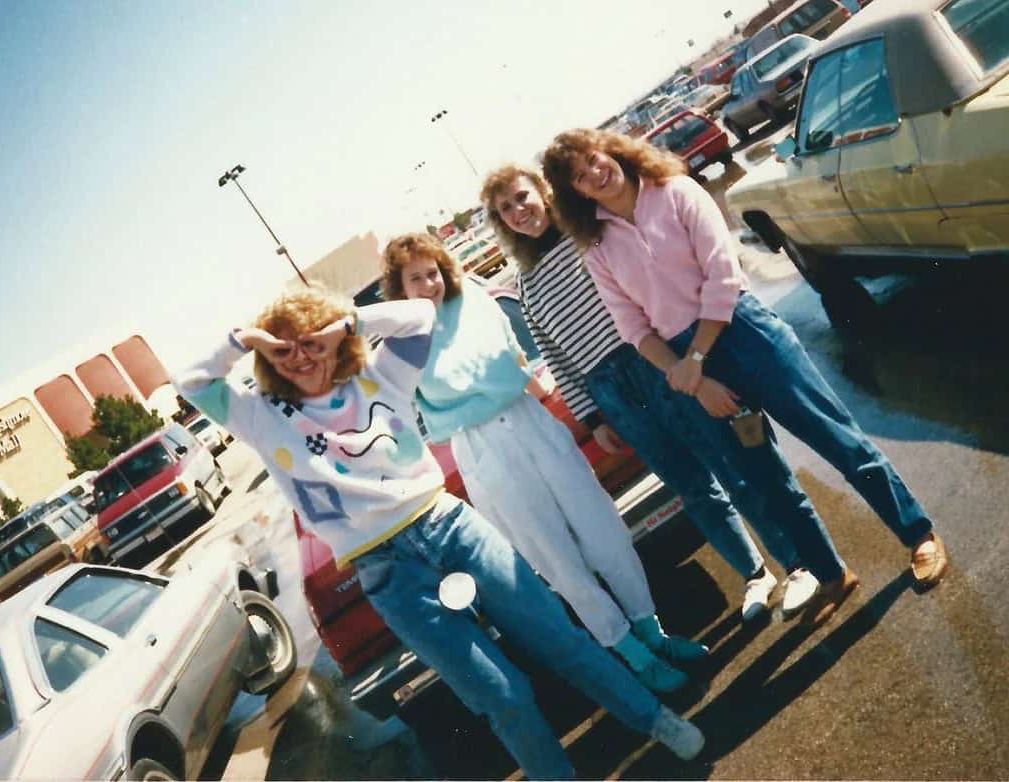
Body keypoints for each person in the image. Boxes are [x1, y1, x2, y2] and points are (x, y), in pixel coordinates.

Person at [172, 287, 705, 777]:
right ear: (267, 363)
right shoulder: (259, 414)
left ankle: (655, 721)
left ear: (335, 341)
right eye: (284, 352)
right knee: (503, 696)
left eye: (312, 343)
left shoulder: (379, 377)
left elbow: (419, 317)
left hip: (449, 525)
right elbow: (189, 381)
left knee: (561, 640)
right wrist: (246, 339)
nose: (302, 357)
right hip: (388, 571)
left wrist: (346, 320)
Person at [541, 129, 948, 621]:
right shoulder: (597, 246)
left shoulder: (677, 191)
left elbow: (723, 276)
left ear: (611, 150)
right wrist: (688, 374)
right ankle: (830, 573)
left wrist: (693, 362)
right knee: (763, 476)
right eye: (580, 177)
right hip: (687, 363)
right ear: (575, 193)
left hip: (745, 333)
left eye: (593, 160)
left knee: (835, 438)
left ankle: (918, 535)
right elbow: (632, 326)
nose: (594, 175)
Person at [480, 164, 859, 625]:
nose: (518, 211)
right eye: (505, 209)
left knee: (734, 464)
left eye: (521, 197)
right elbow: (555, 356)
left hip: (657, 361)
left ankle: (797, 565)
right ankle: (754, 574)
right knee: (692, 488)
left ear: (542, 192)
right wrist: (595, 420)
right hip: (612, 391)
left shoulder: (590, 237)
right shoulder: (525, 285)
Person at [380, 233, 706, 692]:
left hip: (530, 419)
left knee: (604, 531)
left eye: (432, 271)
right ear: (399, 288)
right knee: (557, 559)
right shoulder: (400, 339)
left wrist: (532, 386)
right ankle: (632, 656)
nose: (429, 283)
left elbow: (513, 351)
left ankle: (653, 632)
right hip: (482, 446)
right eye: (415, 278)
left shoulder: (472, 296)